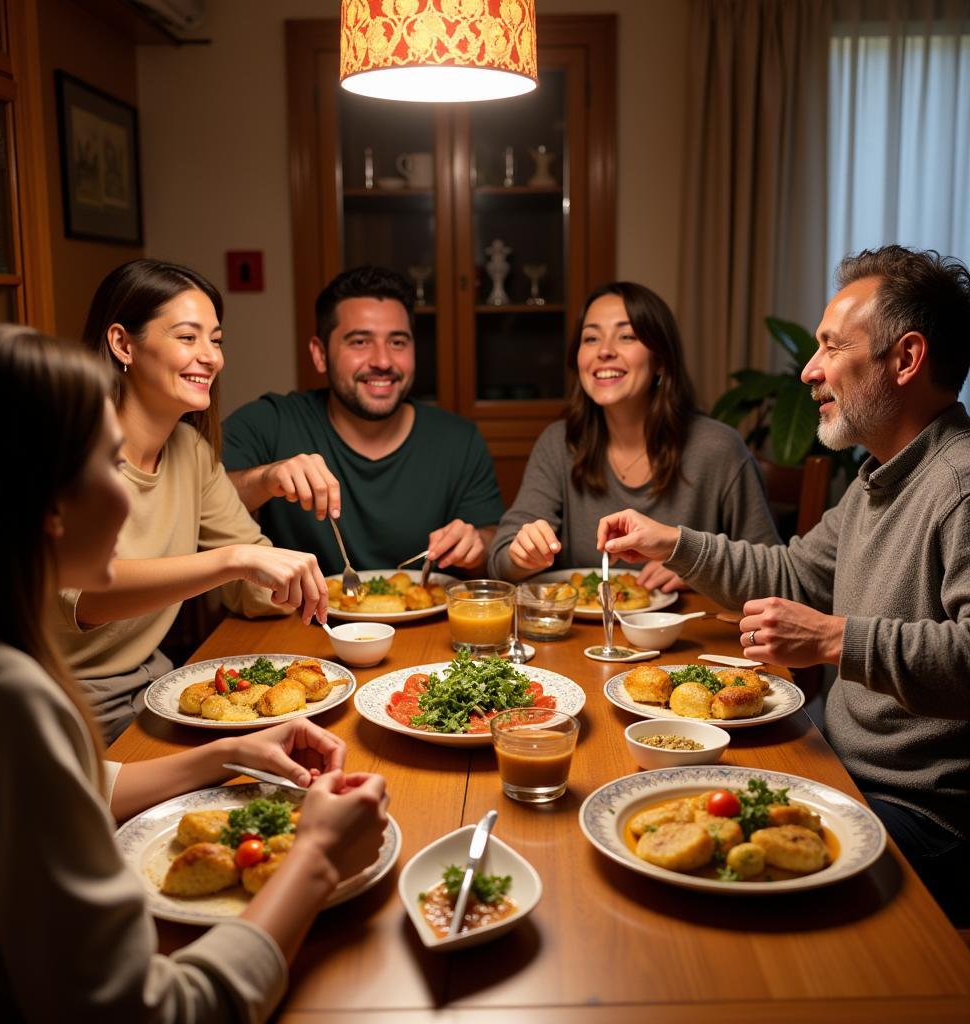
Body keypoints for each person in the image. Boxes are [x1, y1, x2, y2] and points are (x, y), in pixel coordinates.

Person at [0, 324, 389, 1020]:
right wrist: (318, 860)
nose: (131, 497)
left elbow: (86, 784)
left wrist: (230, 754)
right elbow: (149, 1011)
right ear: (49, 506)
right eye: (109, 464)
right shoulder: (9, 701)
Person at [597, 246, 970, 925]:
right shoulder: (877, 480)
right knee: (652, 817)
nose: (810, 368)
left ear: (906, 358)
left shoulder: (959, 486)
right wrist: (672, 542)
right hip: (836, 772)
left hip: (929, 820)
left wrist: (835, 637)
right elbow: (795, 573)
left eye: (832, 346)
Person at [50, 259, 328, 743]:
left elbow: (253, 592)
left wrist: (288, 580)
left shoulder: (191, 450)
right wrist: (234, 560)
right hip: (63, 708)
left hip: (159, 687)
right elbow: (86, 596)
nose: (211, 357)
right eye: (187, 337)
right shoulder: (68, 444)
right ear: (122, 344)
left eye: (215, 340)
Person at [487, 281, 780, 585]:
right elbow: (499, 562)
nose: (604, 351)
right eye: (591, 338)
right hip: (586, 632)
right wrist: (522, 556)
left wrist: (695, 567)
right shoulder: (559, 443)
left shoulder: (718, 448)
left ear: (661, 362)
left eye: (626, 336)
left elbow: (773, 576)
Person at [222, 265, 505, 574]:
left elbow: (491, 542)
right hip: (299, 621)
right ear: (319, 354)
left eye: (397, 342)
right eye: (359, 342)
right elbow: (199, 507)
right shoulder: (270, 422)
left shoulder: (459, 439)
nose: (383, 361)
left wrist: (476, 543)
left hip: (428, 619)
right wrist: (266, 479)